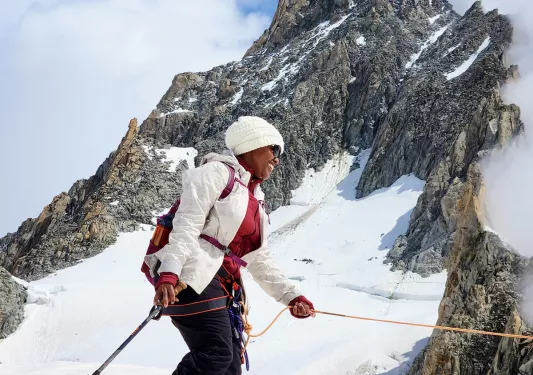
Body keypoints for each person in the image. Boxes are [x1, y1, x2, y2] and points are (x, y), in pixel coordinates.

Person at [151, 116, 314, 375]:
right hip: (191, 277)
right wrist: (169, 272)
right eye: (274, 149)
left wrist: (291, 297)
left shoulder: (255, 199)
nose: (277, 159)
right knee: (216, 354)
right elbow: (188, 222)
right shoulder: (216, 172)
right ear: (254, 145)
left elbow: (259, 259)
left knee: (229, 368)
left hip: (224, 286)